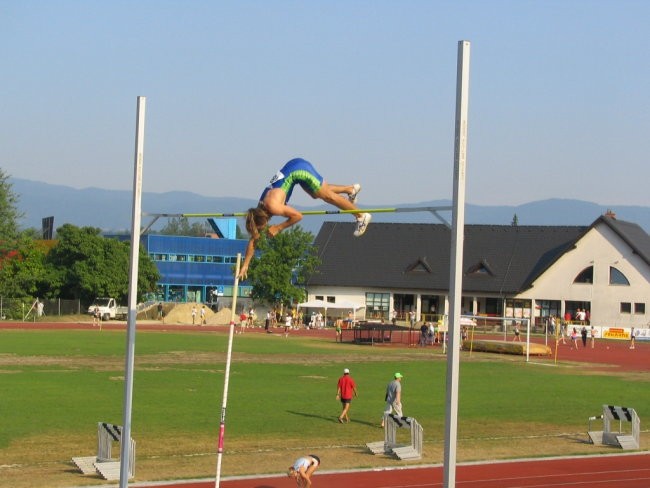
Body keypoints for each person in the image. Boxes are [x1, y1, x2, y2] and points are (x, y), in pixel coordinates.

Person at [238, 158, 371, 280]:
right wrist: (246, 264)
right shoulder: (259, 209)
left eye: (263, 228)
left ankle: (361, 215)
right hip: (294, 168)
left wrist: (278, 228)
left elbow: (298, 216)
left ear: (264, 219)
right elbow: (254, 240)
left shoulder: (273, 206)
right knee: (318, 193)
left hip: (299, 170)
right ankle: (350, 189)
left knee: (327, 197)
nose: (262, 231)